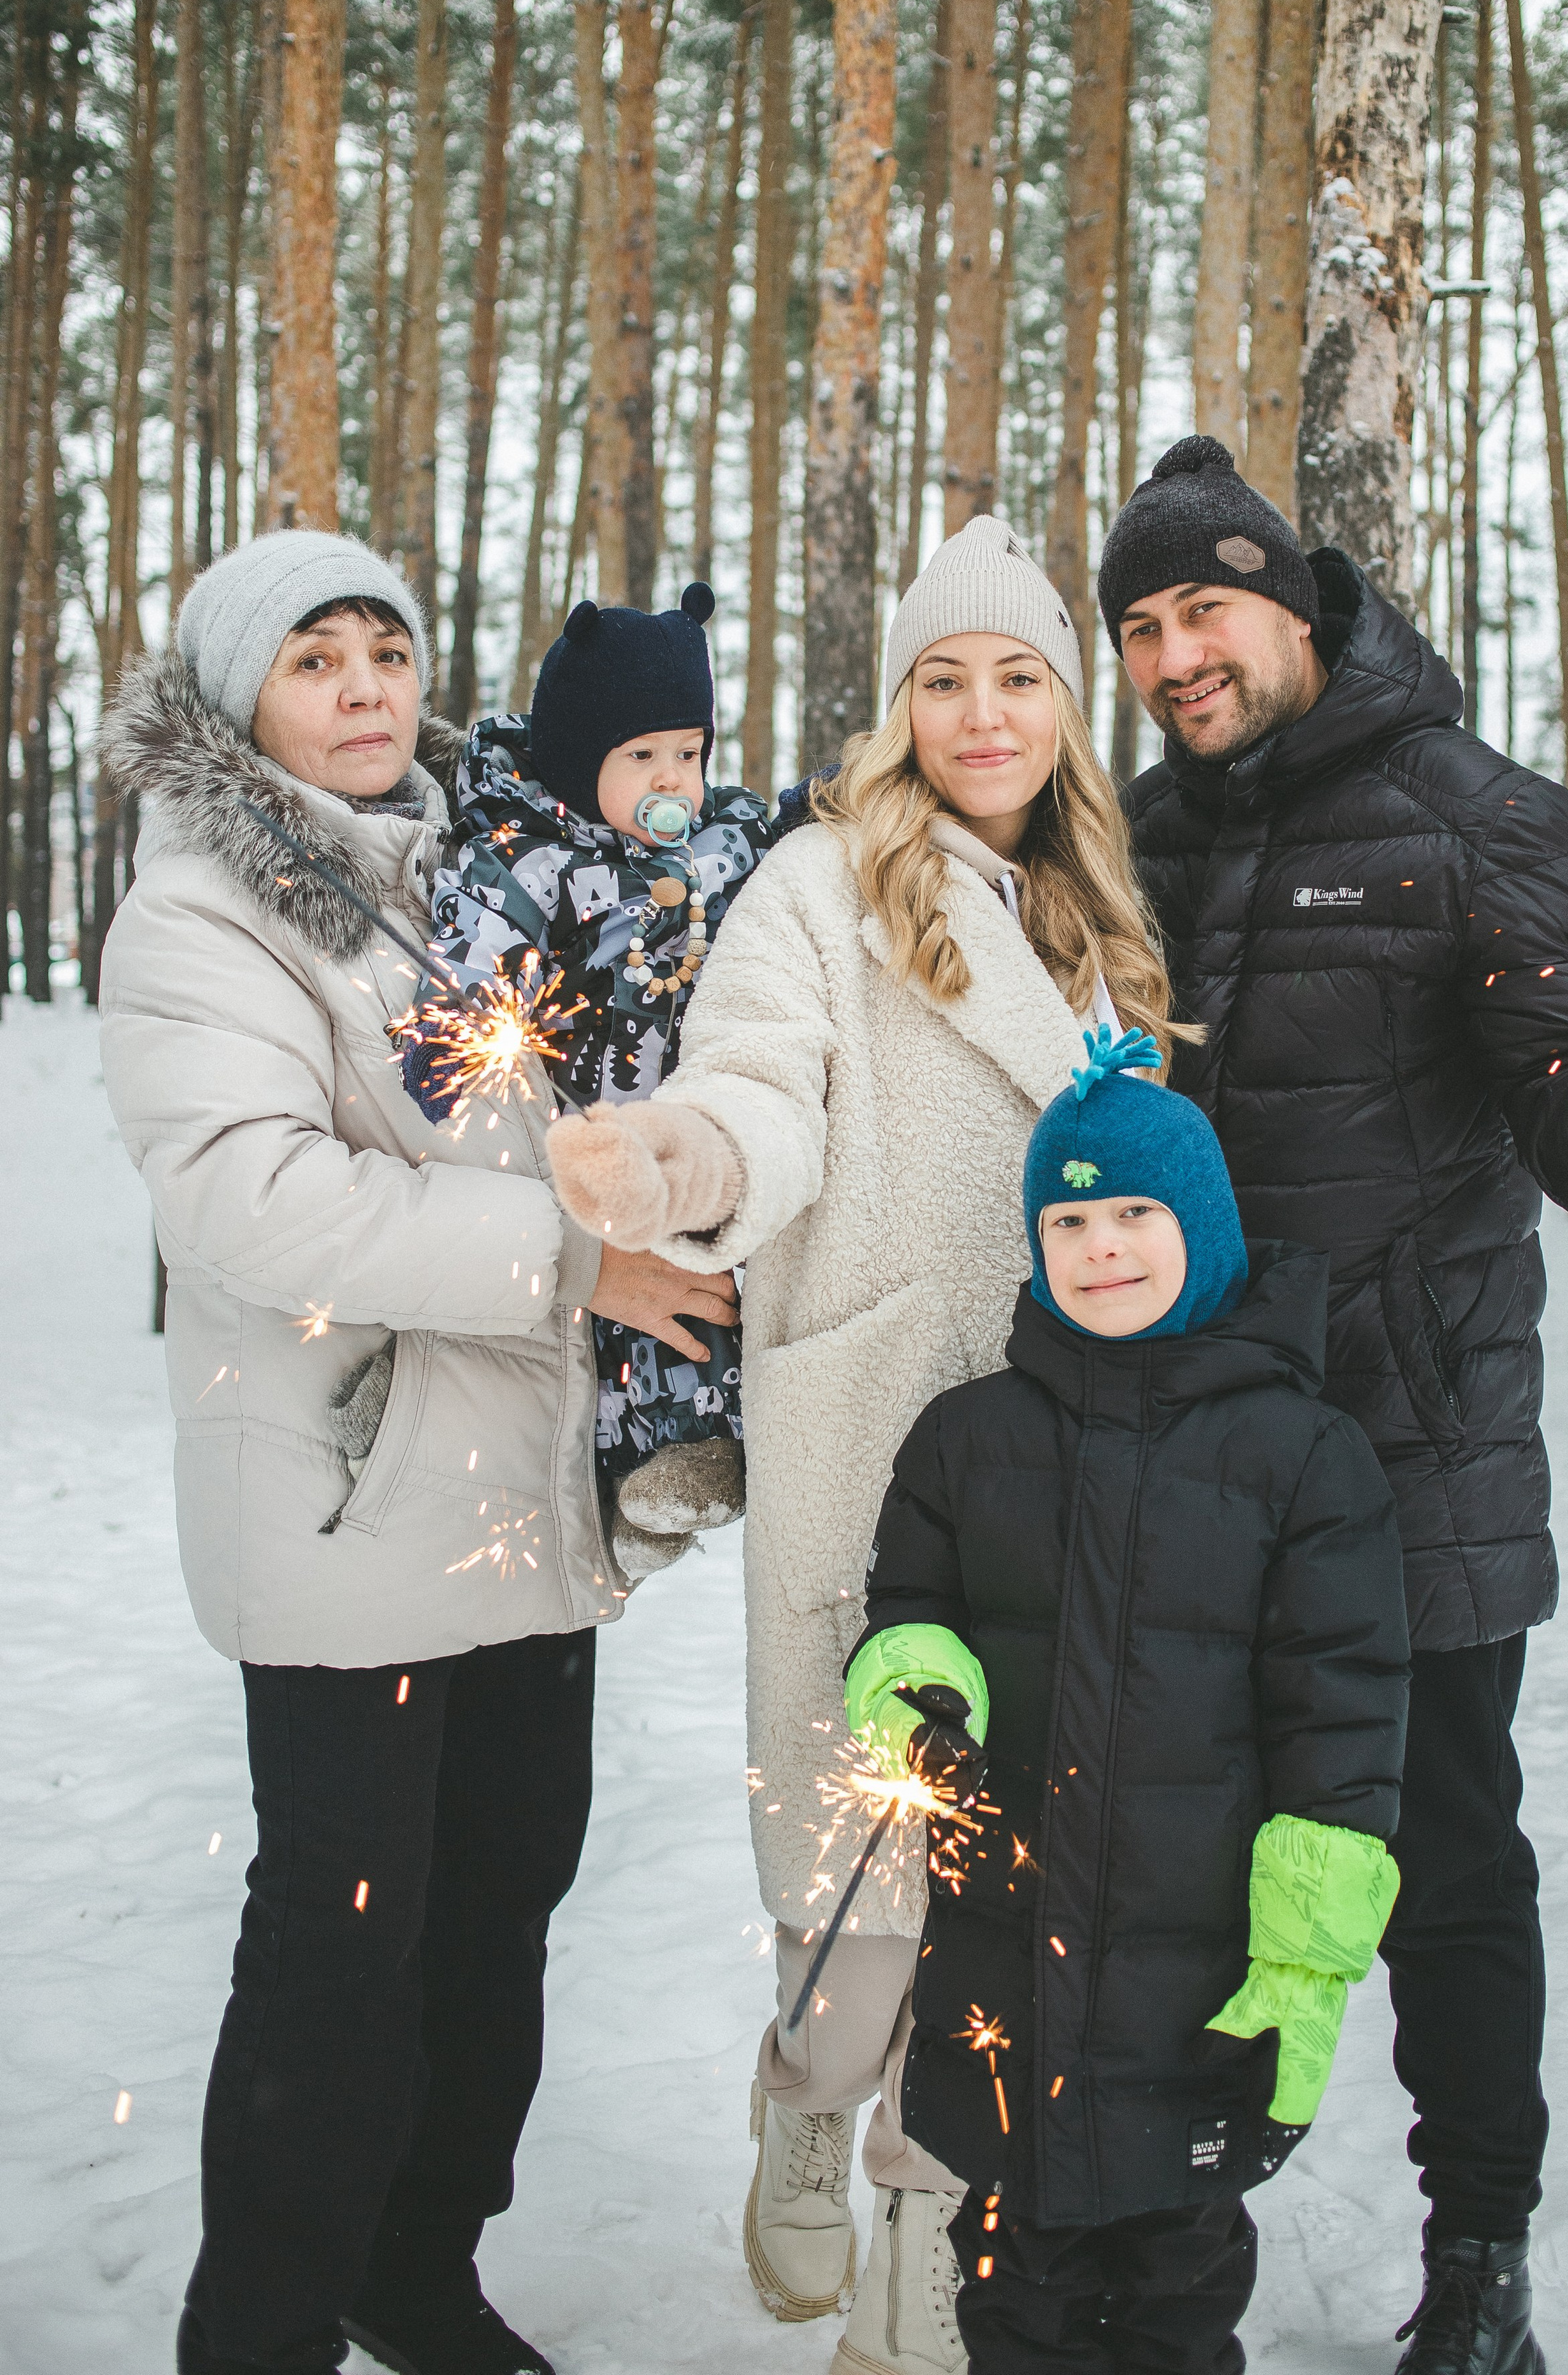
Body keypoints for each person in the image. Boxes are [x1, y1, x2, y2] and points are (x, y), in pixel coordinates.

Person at [1100, 434, 1568, 2375]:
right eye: (1138, 626)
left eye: (1207, 608)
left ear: (1297, 604)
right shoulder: (1134, 836)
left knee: (1445, 1865)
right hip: (1192, 1457)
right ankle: (1164, 2232)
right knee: (1182, 1868)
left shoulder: (1485, 816)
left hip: (1412, 1452)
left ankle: (1483, 2264)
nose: (1177, 654)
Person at [544, 516, 1182, 2375]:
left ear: (1066, 704)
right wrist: (685, 1165)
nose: (982, 713)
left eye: (1019, 676)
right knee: (863, 1900)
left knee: (1003, 1910)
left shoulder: (1107, 920)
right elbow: (762, 1089)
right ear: (900, 707)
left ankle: (926, 2241)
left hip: (1068, 1464)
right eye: (943, 678)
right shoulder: (819, 889)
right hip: (880, 1449)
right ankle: (805, 2099)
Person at [96, 531, 736, 2375]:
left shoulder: (481, 867)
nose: (369, 684)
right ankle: (266, 2322)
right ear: (241, 699)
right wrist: (571, 1262)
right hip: (345, 1495)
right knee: (339, 1950)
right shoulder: (203, 912)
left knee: (501, 1914)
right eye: (319, 658)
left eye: (388, 646)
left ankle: (419, 2259)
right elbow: (250, 1201)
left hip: (517, 1507)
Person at [845, 1024, 1411, 2375]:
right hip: (1005, 1957)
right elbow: (905, 1606)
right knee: (1013, 2293)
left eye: (1138, 1214)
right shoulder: (967, 1438)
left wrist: (1305, 1950)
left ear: (1201, 1227)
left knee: (1176, 2288)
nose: (1103, 1247)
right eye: (1073, 1219)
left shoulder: (1302, 1454)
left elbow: (1344, 1714)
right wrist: (915, 1685)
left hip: (1199, 1971)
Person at [403, 583, 775, 1582]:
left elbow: (787, 832)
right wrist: (453, 1034)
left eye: (688, 754)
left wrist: (844, 798)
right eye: (642, 758)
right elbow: (476, 944)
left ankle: (689, 1456)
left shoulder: (718, 841)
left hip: (685, 1130)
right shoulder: (530, 858)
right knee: (607, 1316)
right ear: (580, 761)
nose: (674, 781)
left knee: (701, 1289)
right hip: (576, 1136)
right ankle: (614, 1479)